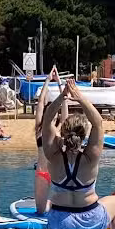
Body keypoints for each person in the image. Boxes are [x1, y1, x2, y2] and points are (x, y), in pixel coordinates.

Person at [42, 79, 115, 229]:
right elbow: (97, 121)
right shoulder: (91, 157)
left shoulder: (53, 156)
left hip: (61, 218)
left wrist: (62, 97)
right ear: (84, 135)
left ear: (63, 132)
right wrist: (80, 97)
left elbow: (47, 120)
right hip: (90, 217)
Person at [33, 66, 68, 214]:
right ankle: (49, 203)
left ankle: (55, 203)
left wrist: (60, 83)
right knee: (41, 211)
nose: (52, 112)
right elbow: (41, 103)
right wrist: (47, 80)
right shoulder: (40, 129)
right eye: (50, 110)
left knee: (63, 209)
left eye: (55, 109)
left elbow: (65, 106)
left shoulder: (61, 128)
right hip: (42, 173)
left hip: (59, 174)